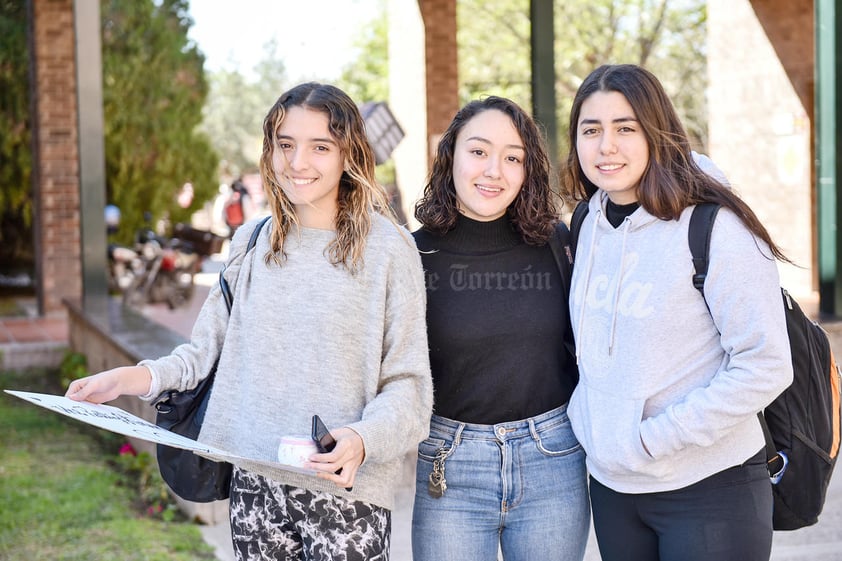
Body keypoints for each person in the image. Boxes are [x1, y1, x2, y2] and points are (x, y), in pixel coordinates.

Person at [66, 82, 434, 561]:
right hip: (254, 484)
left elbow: (409, 385)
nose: (297, 162)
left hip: (346, 497)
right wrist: (131, 378)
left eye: (319, 146)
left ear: (349, 154)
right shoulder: (251, 242)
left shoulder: (389, 249)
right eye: (285, 144)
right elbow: (204, 353)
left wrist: (363, 441)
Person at [559, 63, 794, 561]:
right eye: (591, 129)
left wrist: (653, 439)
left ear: (656, 131)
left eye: (626, 128)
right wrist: (599, 430)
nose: (607, 146)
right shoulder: (586, 221)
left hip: (710, 487)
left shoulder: (713, 225)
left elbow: (766, 364)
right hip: (615, 488)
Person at [411, 96, 590, 561]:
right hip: (449, 467)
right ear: (450, 156)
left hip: (553, 460)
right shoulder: (410, 257)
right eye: (479, 151)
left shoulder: (558, 243)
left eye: (513, 158)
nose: (494, 170)